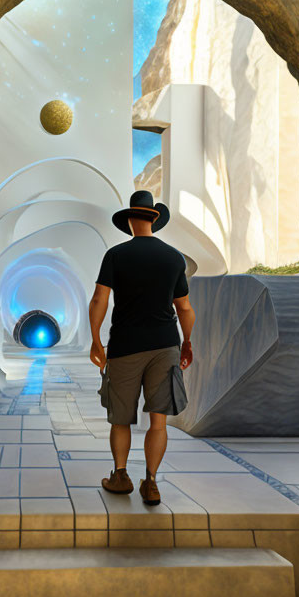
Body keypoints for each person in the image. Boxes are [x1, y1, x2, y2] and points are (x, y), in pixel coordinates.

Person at [88, 189, 195, 506]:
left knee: (119, 418)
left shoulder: (116, 255)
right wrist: (187, 341)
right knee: (158, 420)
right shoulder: (174, 258)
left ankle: (120, 476)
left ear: (131, 221)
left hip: (125, 345)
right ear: (154, 220)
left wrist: (96, 339)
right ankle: (151, 483)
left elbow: (99, 300)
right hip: (165, 345)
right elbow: (185, 307)